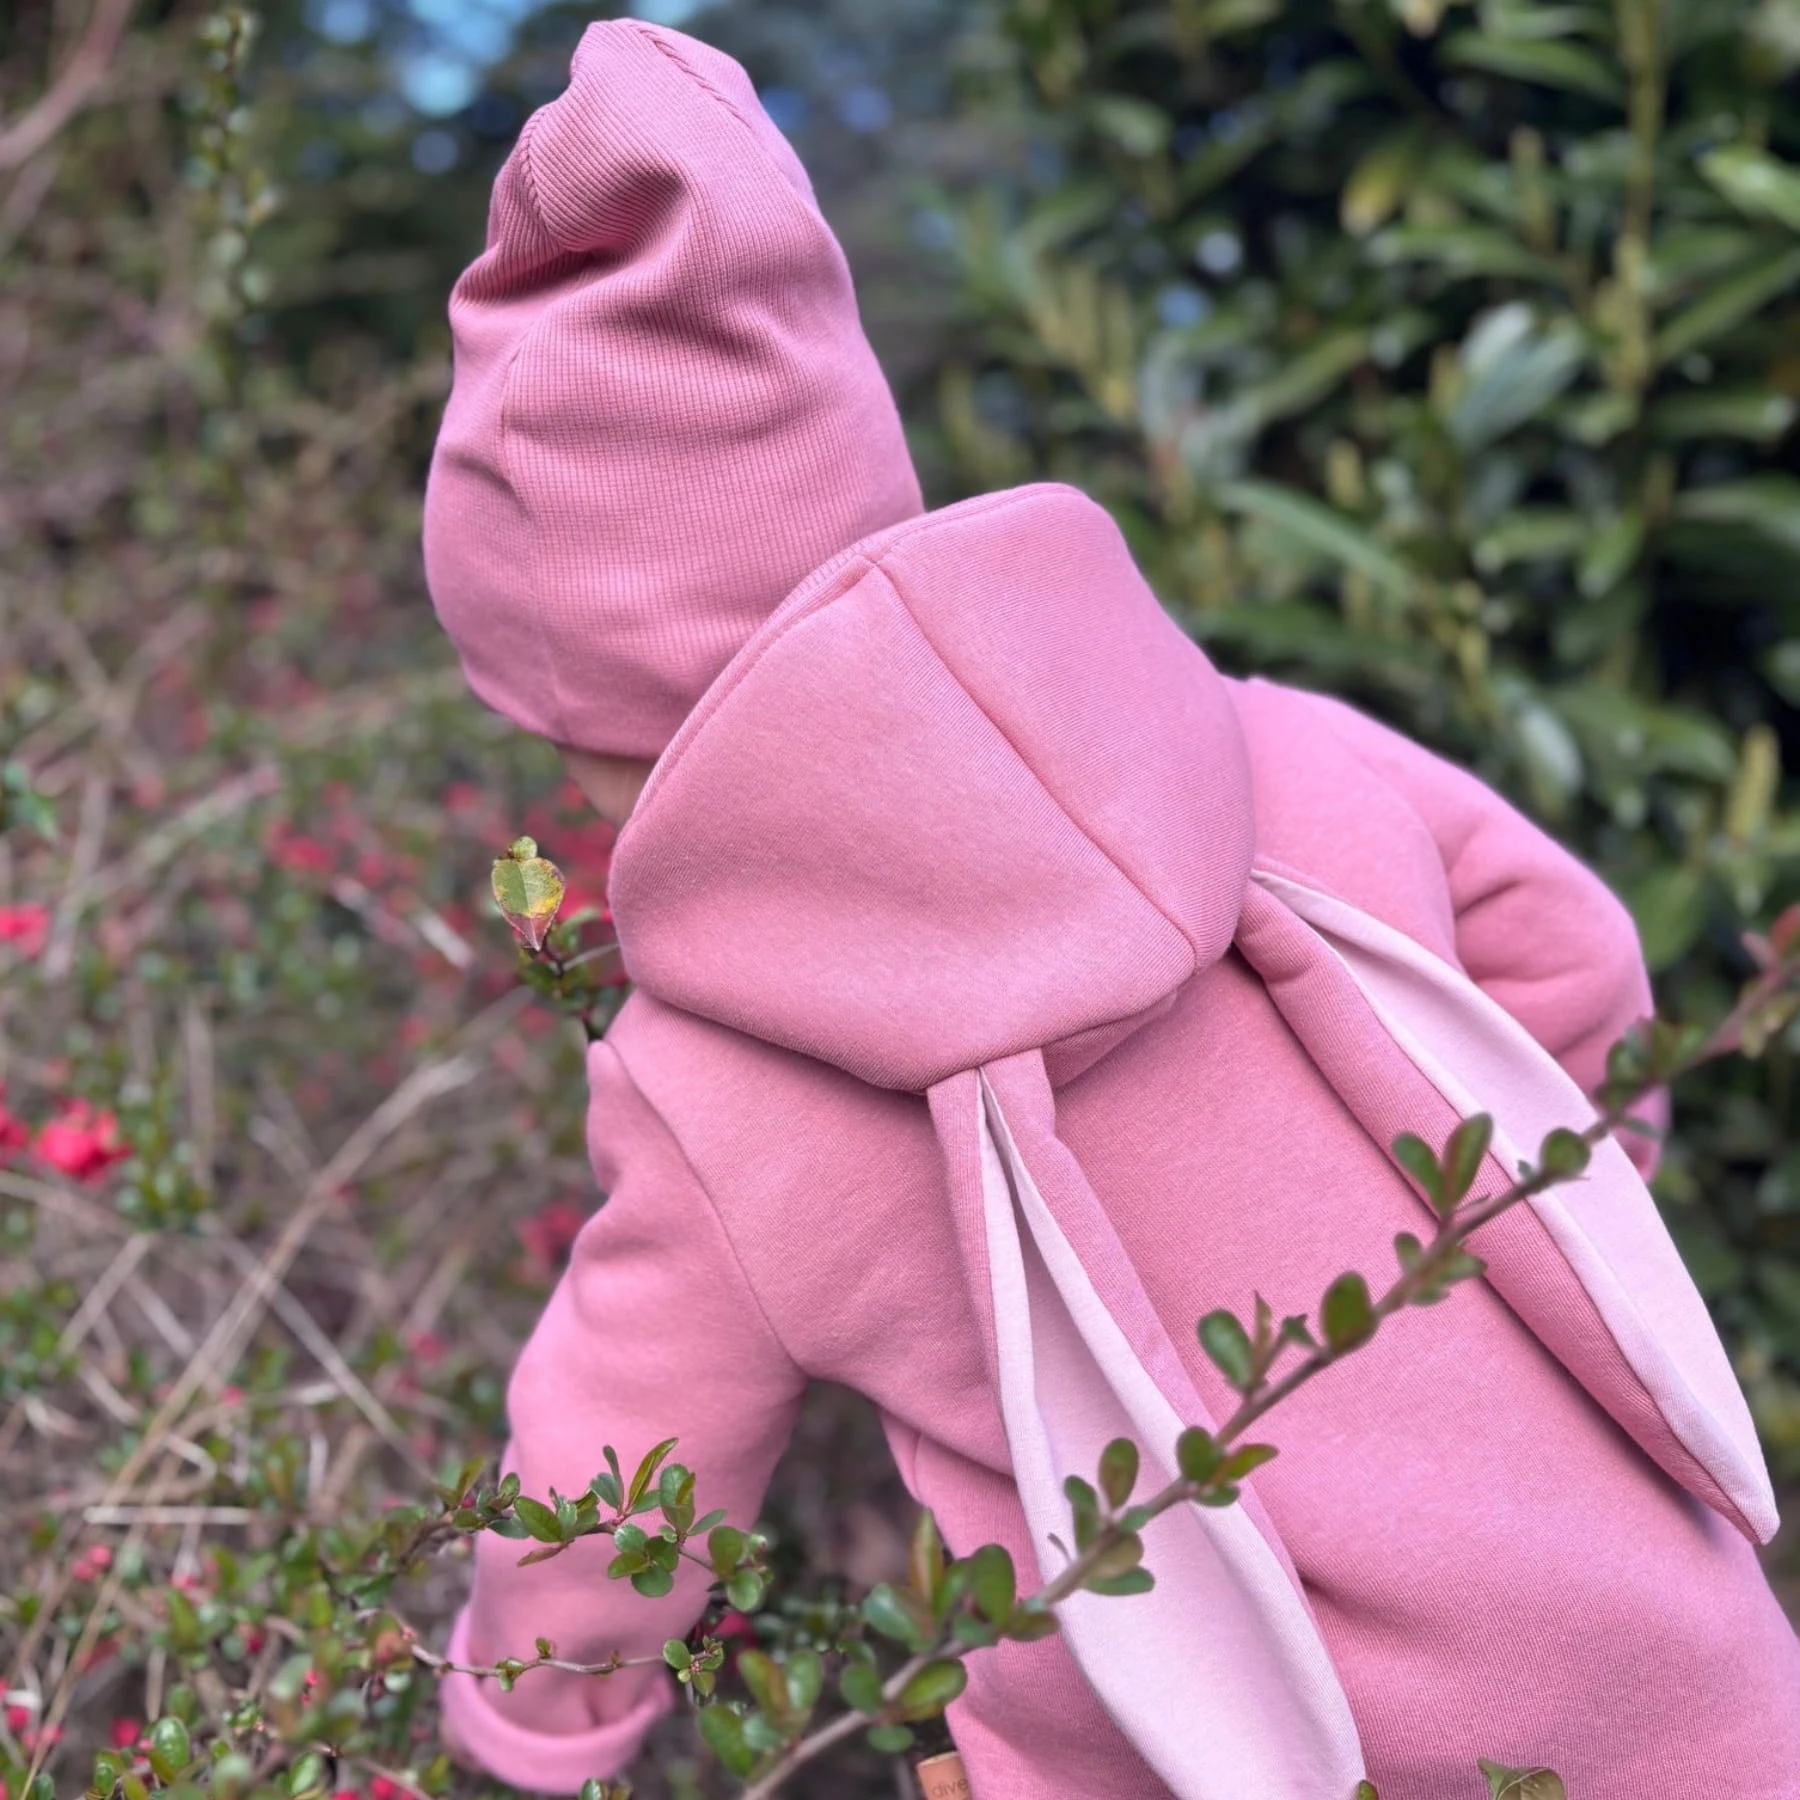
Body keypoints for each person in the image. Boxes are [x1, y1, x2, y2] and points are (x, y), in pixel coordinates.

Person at [420, 20, 1800, 1799]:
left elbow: (616, 1474)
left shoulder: (712, 1087)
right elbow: (1574, 954)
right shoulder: (1262, 743)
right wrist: (1538, 1242)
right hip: (1676, 1666)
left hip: (1210, 1752)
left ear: (589, 714)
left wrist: (534, 1723)